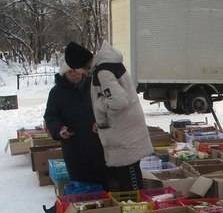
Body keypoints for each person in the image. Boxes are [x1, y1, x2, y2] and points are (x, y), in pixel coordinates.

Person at [90, 40, 153, 192]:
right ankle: (136, 208)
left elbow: (118, 101)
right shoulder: (114, 65)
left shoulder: (103, 72)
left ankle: (136, 209)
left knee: (129, 176)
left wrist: (99, 106)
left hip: (123, 131)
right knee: (132, 172)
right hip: (129, 127)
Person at [43, 42, 108, 187]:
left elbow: (108, 107)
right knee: (81, 185)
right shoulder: (56, 93)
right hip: (74, 148)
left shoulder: (94, 86)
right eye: (70, 71)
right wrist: (59, 129)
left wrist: (102, 122)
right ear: (64, 73)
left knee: (104, 184)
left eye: (76, 70)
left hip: (99, 144)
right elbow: (50, 116)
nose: (74, 74)